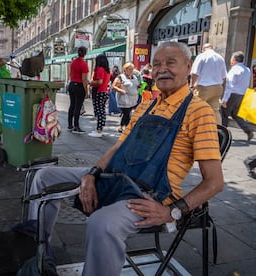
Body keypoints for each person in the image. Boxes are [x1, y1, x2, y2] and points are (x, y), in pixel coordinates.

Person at [15, 41, 223, 275]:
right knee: (44, 176)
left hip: (151, 194)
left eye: (170, 63)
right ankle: (39, 250)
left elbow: (214, 182)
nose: (162, 69)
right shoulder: (146, 106)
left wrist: (173, 212)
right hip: (118, 176)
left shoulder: (199, 111)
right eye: (156, 64)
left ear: (188, 67)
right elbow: (117, 149)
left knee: (102, 224)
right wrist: (91, 175)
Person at [220, 51, 253, 142]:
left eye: (231, 58)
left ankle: (223, 134)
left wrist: (225, 99)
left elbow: (229, 86)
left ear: (234, 60)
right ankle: (248, 130)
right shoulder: (247, 70)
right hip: (241, 95)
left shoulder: (234, 70)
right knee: (235, 114)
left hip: (232, 94)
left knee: (224, 113)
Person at [190, 43, 227, 124]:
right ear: (212, 48)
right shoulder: (220, 58)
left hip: (204, 87)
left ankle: (194, 127)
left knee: (195, 107)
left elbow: (194, 73)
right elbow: (224, 76)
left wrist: (192, 86)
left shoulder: (201, 56)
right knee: (214, 110)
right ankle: (218, 129)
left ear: (203, 49)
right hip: (218, 87)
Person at [111, 62, 139, 133]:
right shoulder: (120, 77)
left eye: (132, 69)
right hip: (124, 99)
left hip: (132, 99)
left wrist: (139, 86)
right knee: (126, 113)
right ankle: (128, 129)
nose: (131, 71)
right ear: (125, 69)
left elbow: (136, 85)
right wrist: (121, 91)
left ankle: (121, 127)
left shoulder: (134, 77)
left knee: (127, 113)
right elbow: (113, 86)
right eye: (129, 69)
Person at [67, 46, 89, 134]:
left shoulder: (72, 62)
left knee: (72, 105)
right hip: (79, 86)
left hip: (72, 84)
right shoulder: (84, 64)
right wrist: (86, 91)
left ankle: (70, 124)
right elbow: (84, 79)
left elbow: (70, 74)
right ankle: (76, 126)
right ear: (85, 53)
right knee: (78, 107)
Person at [88, 54, 111, 137]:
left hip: (99, 91)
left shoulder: (100, 69)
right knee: (102, 110)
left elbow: (99, 82)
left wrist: (90, 82)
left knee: (99, 111)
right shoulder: (107, 71)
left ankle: (99, 129)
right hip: (104, 91)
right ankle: (100, 128)